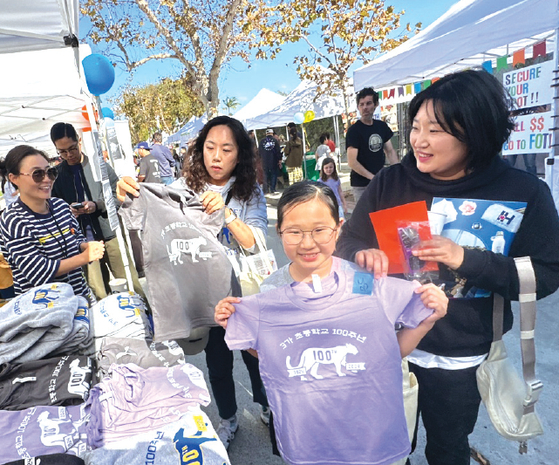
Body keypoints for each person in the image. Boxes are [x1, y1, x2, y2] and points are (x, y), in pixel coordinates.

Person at [336, 70, 559, 465]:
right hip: (390, 345)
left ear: (476, 131)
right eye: (416, 126)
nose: (419, 141)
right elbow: (348, 242)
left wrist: (466, 259)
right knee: (387, 446)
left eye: (435, 130)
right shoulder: (390, 182)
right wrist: (361, 257)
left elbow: (545, 273)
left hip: (462, 357)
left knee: (448, 446)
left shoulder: (521, 192)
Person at [214, 181, 448, 465]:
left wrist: (426, 321)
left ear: (338, 228)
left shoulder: (363, 282)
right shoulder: (271, 291)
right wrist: (236, 325)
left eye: (319, 230)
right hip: (309, 438)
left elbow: (384, 352)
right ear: (280, 232)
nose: (308, 242)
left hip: (369, 436)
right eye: (295, 232)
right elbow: (272, 355)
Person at [116, 115, 269, 450]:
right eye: (209, 148)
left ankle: (267, 404)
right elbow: (149, 217)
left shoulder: (250, 190)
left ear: (239, 155)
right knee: (218, 361)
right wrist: (128, 194)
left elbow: (255, 242)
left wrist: (227, 215)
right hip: (205, 291)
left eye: (226, 149)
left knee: (256, 355)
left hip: (244, 289)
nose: (216, 156)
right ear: (200, 151)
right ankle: (228, 418)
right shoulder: (184, 187)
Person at [49, 122, 146, 302]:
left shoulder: (99, 166)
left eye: (71, 148)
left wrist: (98, 205)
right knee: (97, 292)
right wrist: (69, 211)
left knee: (129, 283)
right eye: (62, 152)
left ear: (79, 141)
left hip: (109, 233)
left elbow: (120, 196)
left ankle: (145, 317)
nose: (68, 155)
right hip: (83, 241)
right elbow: (53, 207)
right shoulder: (58, 175)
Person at [0, 145, 105, 301]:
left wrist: (84, 245)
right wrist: (84, 257)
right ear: (14, 178)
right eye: (37, 174)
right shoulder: (12, 220)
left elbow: (75, 238)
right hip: (45, 310)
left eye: (50, 172)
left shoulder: (61, 206)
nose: (47, 179)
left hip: (81, 299)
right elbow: (38, 272)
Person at [347, 87, 399, 203]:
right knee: (365, 219)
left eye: (368, 103)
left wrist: (398, 171)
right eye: (361, 104)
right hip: (361, 185)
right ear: (358, 107)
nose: (365, 107)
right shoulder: (354, 131)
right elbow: (352, 162)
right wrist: (373, 177)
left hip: (381, 182)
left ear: (375, 105)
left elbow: (390, 151)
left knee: (384, 215)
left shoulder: (381, 126)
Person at [259, 128, 282, 194]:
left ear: (266, 134)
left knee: (265, 175)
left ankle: (265, 189)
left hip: (264, 160)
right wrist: (279, 159)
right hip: (274, 160)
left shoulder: (261, 141)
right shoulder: (275, 141)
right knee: (273, 174)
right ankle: (273, 189)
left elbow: (259, 152)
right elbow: (278, 151)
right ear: (272, 133)